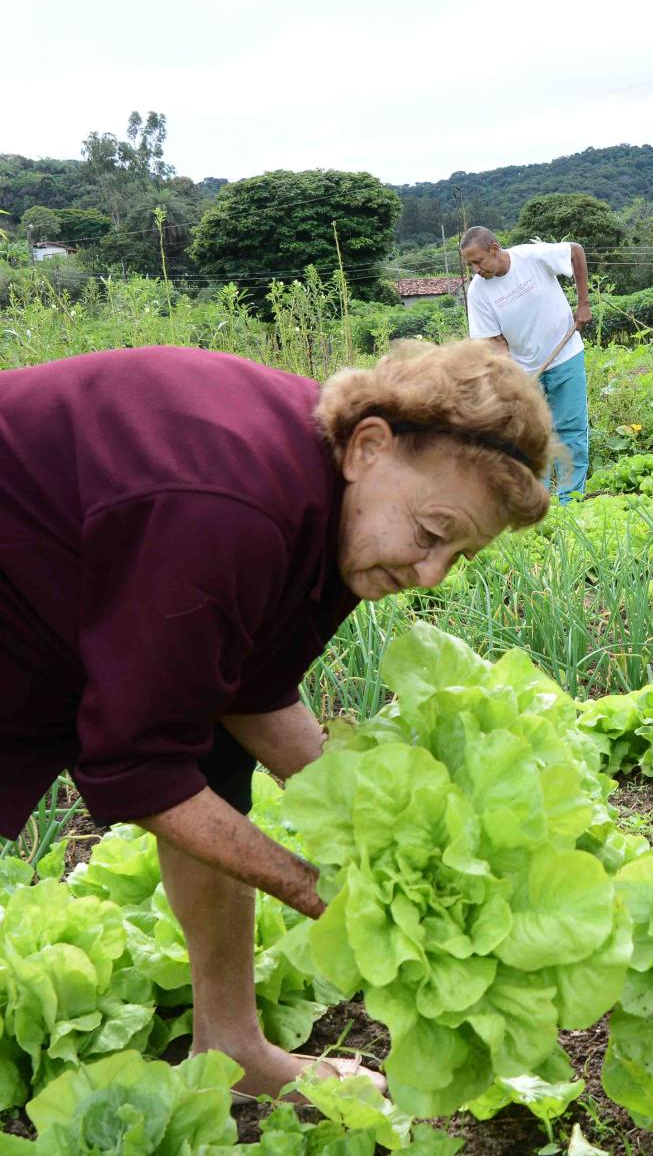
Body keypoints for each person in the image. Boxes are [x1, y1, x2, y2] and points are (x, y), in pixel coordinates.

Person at [0, 340, 553, 1099]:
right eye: (430, 533)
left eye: (455, 555)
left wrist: (388, 828)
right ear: (370, 445)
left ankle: (230, 1048)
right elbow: (141, 771)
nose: (429, 574)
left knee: (214, 763)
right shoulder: (230, 508)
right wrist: (318, 887)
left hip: (58, 592)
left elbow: (247, 690)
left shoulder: (341, 501)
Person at [462, 226, 592, 501]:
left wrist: (583, 303)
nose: (475, 269)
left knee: (571, 429)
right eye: (470, 264)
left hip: (566, 354)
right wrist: (509, 380)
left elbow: (575, 251)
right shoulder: (477, 293)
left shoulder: (531, 257)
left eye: (478, 261)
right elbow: (495, 342)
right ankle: (538, 502)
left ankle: (572, 501)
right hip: (524, 370)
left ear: (494, 249)